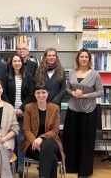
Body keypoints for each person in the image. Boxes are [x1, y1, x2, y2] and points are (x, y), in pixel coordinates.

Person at [63, 48, 103, 177]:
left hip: (88, 112)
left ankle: (84, 170)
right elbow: (67, 88)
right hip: (73, 109)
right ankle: (70, 167)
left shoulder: (95, 74)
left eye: (86, 57)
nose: (84, 59)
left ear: (89, 59)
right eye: (82, 57)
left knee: (86, 141)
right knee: (71, 139)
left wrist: (84, 95)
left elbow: (100, 92)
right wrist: (73, 93)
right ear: (78, 59)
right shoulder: (72, 72)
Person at [22, 83, 65, 178]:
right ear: (34, 94)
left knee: (47, 144)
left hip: (51, 141)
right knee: (51, 156)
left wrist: (41, 138)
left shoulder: (55, 108)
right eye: (38, 92)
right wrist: (34, 140)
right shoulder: (28, 107)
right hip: (33, 145)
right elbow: (26, 129)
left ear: (48, 93)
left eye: (43, 92)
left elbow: (55, 130)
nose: (41, 95)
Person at [6, 54, 34, 177]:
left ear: (22, 63)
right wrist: (12, 108)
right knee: (11, 139)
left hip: (23, 112)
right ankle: (12, 165)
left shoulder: (28, 77)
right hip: (10, 112)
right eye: (14, 61)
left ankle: (21, 167)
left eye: (19, 61)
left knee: (21, 139)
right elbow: (4, 94)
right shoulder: (7, 77)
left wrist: (21, 108)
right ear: (11, 63)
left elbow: (31, 95)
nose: (17, 63)